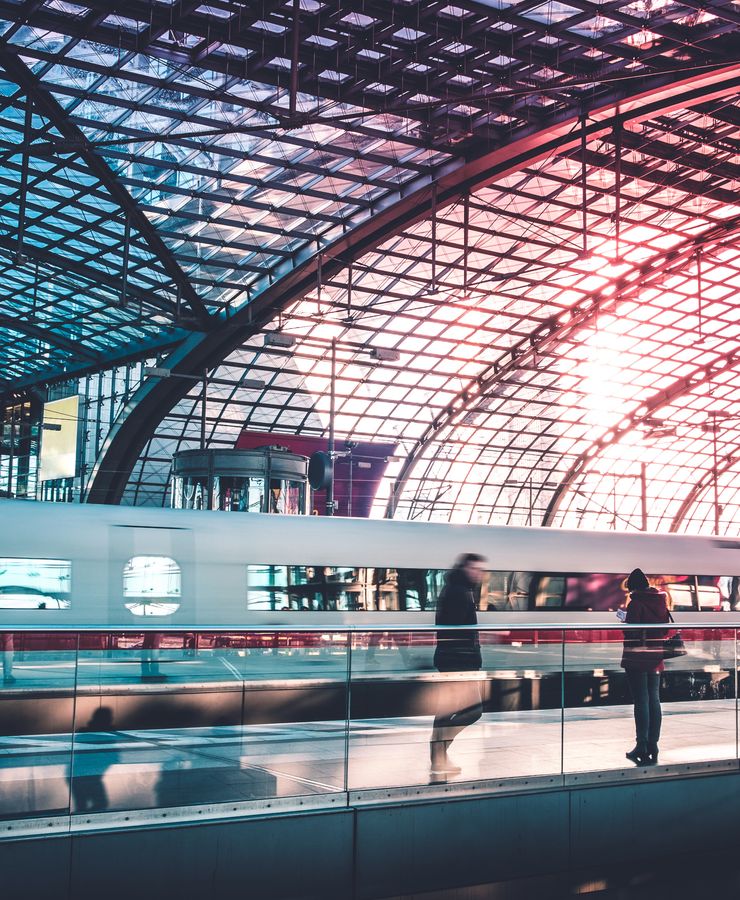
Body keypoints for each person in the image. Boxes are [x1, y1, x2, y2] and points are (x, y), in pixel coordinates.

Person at [430, 552, 487, 778]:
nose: (478, 573)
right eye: (474, 569)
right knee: (473, 711)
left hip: (451, 659)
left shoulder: (457, 590)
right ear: (464, 568)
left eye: (480, 570)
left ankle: (438, 757)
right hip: (459, 661)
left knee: (445, 710)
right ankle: (439, 751)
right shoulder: (459, 593)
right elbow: (456, 632)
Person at [620, 568, 670, 766]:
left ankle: (641, 744)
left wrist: (624, 619)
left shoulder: (636, 603)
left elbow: (631, 633)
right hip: (655, 656)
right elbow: (665, 629)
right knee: (654, 699)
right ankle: (653, 744)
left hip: (638, 658)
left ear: (633, 587)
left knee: (641, 700)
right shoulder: (660, 601)